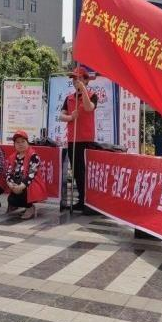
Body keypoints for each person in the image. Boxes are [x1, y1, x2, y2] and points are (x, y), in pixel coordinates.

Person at [60, 67, 97, 213]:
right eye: (74, 79)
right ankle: (81, 200)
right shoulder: (69, 98)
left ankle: (89, 202)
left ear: (86, 80)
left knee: (85, 172)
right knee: (76, 171)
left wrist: (83, 91)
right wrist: (70, 117)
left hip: (86, 139)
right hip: (72, 139)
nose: (76, 81)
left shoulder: (92, 95)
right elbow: (61, 116)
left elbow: (89, 108)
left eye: (79, 78)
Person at [6, 130, 47, 220]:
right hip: (17, 184)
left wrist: (21, 186)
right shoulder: (12, 157)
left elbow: (31, 174)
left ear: (27, 143)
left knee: (22, 194)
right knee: (11, 200)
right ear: (14, 145)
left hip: (30, 184)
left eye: (23, 141)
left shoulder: (34, 156)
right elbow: (8, 172)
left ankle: (30, 207)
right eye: (17, 142)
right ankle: (19, 204)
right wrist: (10, 184)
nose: (20, 144)